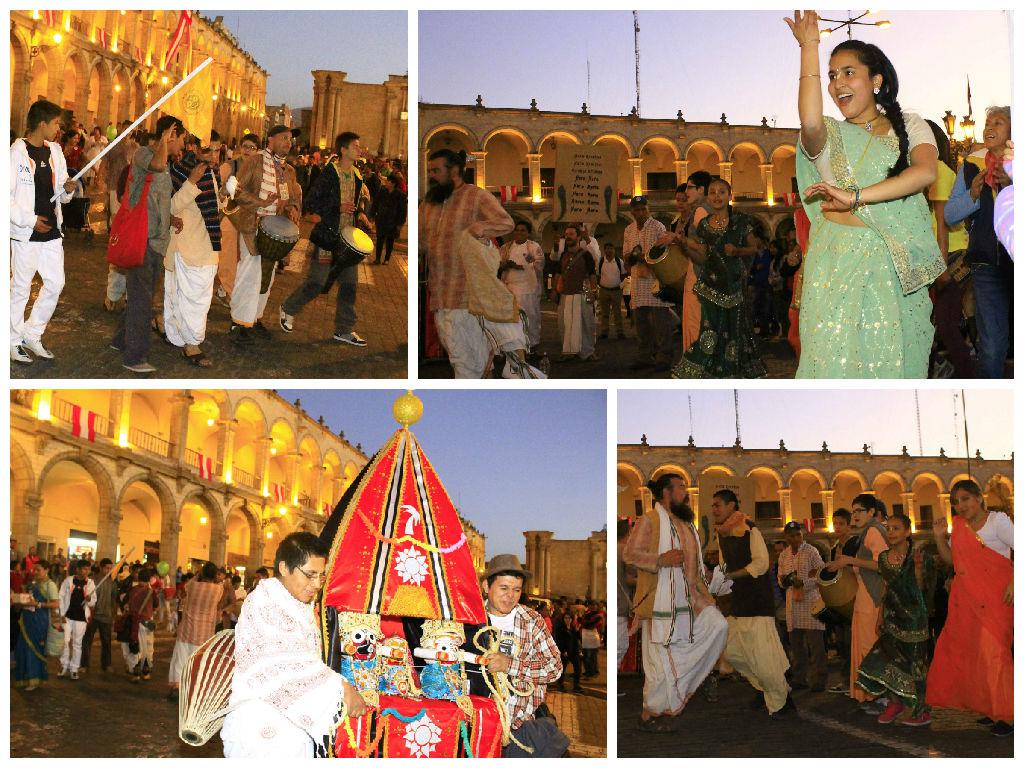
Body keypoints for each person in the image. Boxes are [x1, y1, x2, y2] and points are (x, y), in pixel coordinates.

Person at [786, 12, 945, 377]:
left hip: (890, 265)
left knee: (890, 365)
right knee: (832, 364)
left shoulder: (910, 125)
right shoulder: (829, 137)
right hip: (833, 265)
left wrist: (856, 196)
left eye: (847, 72)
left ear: (875, 80)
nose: (837, 83)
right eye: (831, 75)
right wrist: (809, 47)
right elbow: (809, 122)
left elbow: (924, 173)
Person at [220, 532, 368, 757]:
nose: (317, 584)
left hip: (290, 729)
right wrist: (342, 689)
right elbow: (287, 666)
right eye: (310, 575)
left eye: (321, 576)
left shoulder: (295, 603)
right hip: (262, 729)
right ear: (283, 567)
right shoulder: (265, 603)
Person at [623, 475, 728, 731]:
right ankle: (651, 714)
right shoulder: (649, 520)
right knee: (659, 664)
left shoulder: (687, 525)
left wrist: (709, 575)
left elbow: (693, 563)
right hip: (660, 604)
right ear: (666, 493)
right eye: (681, 487)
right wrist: (661, 559)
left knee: (719, 626)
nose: (686, 491)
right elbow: (629, 555)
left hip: (692, 600)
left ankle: (677, 693)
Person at [419, 149, 523, 378]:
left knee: (466, 364)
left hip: (468, 298)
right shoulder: (429, 203)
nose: (431, 176)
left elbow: (506, 222)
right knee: (461, 359)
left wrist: (482, 228)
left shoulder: (476, 196)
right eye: (430, 171)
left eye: (436, 170)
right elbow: (421, 242)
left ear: (454, 170)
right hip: (439, 297)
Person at [926, 479, 1013, 737]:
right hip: (967, 601)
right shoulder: (960, 526)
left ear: (979, 498)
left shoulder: (998, 521)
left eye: (964, 499)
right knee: (977, 656)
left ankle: (1009, 716)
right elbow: (951, 560)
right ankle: (991, 708)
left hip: (997, 598)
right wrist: (939, 538)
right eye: (955, 502)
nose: (960, 506)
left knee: (994, 654)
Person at [839, 513, 934, 726]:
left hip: (915, 620)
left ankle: (920, 711)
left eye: (896, 528)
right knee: (884, 660)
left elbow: (922, 589)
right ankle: (894, 703)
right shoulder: (883, 558)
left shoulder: (919, 556)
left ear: (908, 532)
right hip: (891, 618)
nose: (891, 532)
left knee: (915, 667)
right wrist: (881, 615)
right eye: (889, 528)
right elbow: (886, 587)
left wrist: (918, 569)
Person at [279, 131, 369, 346]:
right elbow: (312, 201)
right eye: (355, 146)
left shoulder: (357, 174)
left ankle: (344, 329)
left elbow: (360, 200)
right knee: (317, 282)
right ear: (343, 150)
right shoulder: (330, 173)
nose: (359, 149)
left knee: (349, 285)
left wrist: (361, 213)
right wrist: (336, 208)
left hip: (347, 241)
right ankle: (288, 309)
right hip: (327, 238)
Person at [471, 554, 566, 757]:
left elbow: (555, 668)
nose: (510, 596)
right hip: (477, 726)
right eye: (504, 588)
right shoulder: (470, 619)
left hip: (520, 729)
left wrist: (510, 665)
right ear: (487, 586)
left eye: (516, 589)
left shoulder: (531, 620)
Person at [112, 115, 185, 374]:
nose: (182, 146)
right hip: (142, 239)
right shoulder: (146, 153)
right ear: (171, 135)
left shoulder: (165, 163)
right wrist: (165, 140)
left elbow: (157, 198)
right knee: (143, 302)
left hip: (155, 239)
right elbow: (156, 165)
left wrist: (170, 218)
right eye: (181, 139)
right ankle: (135, 357)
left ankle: (121, 340)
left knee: (140, 295)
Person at [711, 489, 794, 717]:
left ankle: (781, 703)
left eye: (717, 505)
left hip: (757, 602)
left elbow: (761, 564)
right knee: (733, 652)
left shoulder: (750, 529)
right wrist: (717, 578)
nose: (714, 509)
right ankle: (763, 688)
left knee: (764, 658)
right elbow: (724, 565)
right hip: (737, 602)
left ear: (731, 506)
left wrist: (733, 576)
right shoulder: (722, 534)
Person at [944, 106, 1012, 378]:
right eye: (987, 123)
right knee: (993, 346)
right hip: (987, 265)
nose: (989, 128)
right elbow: (950, 215)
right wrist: (972, 193)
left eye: (999, 122)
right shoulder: (971, 165)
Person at [673, 179, 766, 378]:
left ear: (729, 196)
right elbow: (702, 255)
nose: (717, 196)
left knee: (734, 331)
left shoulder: (741, 221)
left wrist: (738, 251)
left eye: (721, 192)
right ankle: (709, 371)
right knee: (710, 331)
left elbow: (754, 247)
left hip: (733, 287)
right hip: (710, 286)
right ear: (707, 197)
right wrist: (683, 245)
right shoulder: (704, 226)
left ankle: (732, 372)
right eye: (713, 192)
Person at [10, 99, 77, 363]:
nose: (58, 129)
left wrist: (68, 190)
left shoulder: (55, 151)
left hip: (51, 232)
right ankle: (12, 340)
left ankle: (32, 333)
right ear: (41, 124)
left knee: (56, 283)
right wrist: (29, 220)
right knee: (20, 288)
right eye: (56, 123)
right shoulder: (15, 154)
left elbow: (60, 191)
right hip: (26, 233)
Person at [228, 125, 301, 346]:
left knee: (266, 280)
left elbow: (293, 195)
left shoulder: (288, 170)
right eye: (284, 138)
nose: (288, 142)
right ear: (271, 139)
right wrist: (261, 203)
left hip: (273, 232)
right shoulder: (255, 161)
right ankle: (238, 323)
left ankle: (255, 319)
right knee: (249, 277)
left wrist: (293, 207)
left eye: (290, 139)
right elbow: (236, 191)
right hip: (253, 227)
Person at [824, 493, 888, 710]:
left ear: (871, 512)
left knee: (869, 648)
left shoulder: (873, 531)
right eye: (853, 512)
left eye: (859, 511)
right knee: (862, 646)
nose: (855, 515)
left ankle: (879, 696)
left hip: (872, 598)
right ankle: (870, 695)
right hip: (864, 597)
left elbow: (883, 564)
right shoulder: (866, 532)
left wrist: (849, 560)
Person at [925, 119, 974, 378]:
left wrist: (942, 269)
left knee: (944, 324)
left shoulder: (939, 171)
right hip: (943, 256)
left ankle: (968, 373)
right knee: (939, 323)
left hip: (953, 255)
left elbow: (942, 224)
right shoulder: (929, 171)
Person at [163, 152, 217, 366]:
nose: (213, 152)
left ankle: (176, 333)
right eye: (207, 148)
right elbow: (170, 207)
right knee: (186, 297)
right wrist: (192, 181)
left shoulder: (212, 173)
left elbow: (215, 208)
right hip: (185, 246)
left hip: (207, 246)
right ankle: (191, 344)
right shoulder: (180, 171)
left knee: (195, 298)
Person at [167, 561, 234, 702]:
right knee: (198, 663)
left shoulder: (193, 586)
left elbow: (187, 585)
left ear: (202, 573)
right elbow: (225, 587)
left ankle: (177, 688)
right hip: (204, 633)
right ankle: (194, 692)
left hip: (187, 629)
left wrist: (198, 574)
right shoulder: (217, 590)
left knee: (180, 660)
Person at [777, 521, 827, 691]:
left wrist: (803, 582)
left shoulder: (811, 551)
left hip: (811, 602)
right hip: (793, 603)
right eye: (792, 535)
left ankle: (819, 680)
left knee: (816, 645)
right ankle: (800, 678)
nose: (796, 538)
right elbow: (780, 578)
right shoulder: (784, 555)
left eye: (798, 534)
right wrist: (785, 581)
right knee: (796, 645)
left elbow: (822, 575)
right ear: (786, 537)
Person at [102, 120, 138, 313]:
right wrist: (103, 181)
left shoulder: (134, 147)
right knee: (118, 246)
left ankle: (123, 295)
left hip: (131, 207)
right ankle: (113, 295)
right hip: (117, 188)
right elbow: (105, 163)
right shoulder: (114, 145)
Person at [553, 224, 599, 362]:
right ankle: (568, 351)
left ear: (578, 237)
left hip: (582, 294)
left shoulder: (586, 255)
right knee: (566, 324)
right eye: (566, 234)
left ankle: (588, 352)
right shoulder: (563, 256)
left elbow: (592, 275)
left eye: (571, 234)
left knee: (585, 324)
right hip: (566, 295)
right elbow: (558, 274)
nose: (568, 237)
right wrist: (555, 291)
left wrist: (594, 291)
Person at [498, 221, 545, 351]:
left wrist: (518, 266)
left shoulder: (532, 247)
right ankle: (512, 346)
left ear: (528, 233)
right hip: (509, 288)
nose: (519, 232)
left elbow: (538, 265)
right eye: (517, 230)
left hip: (528, 288)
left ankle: (531, 344)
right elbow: (497, 264)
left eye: (523, 230)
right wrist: (504, 265)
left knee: (529, 316)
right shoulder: (506, 248)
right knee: (510, 318)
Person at [14, 560, 59, 690]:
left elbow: (56, 604)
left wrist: (39, 604)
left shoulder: (50, 585)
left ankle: (34, 679)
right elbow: (28, 599)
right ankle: (23, 678)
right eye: (34, 569)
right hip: (26, 619)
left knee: (33, 649)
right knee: (22, 647)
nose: (35, 572)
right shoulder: (33, 583)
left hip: (39, 620)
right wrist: (18, 599)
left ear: (47, 570)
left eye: (38, 569)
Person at [57, 560, 96, 680]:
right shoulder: (68, 580)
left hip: (81, 618)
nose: (86, 572)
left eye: (88, 569)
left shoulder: (90, 583)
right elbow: (61, 597)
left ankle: (74, 669)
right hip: (67, 616)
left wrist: (89, 599)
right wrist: (61, 614)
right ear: (78, 569)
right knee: (65, 641)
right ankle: (64, 666)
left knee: (77, 644)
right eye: (84, 569)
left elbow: (93, 601)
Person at [79, 557, 119, 674]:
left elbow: (114, 599)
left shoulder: (112, 582)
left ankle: (106, 664)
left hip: (106, 616)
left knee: (106, 641)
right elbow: (85, 596)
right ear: (101, 568)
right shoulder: (92, 581)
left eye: (111, 568)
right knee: (87, 640)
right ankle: (84, 664)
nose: (109, 570)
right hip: (93, 615)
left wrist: (114, 613)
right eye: (107, 568)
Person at [122, 566, 160, 682]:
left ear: (138, 578)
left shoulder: (132, 590)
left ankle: (136, 673)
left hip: (134, 622)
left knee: (135, 647)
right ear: (149, 579)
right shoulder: (151, 592)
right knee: (148, 648)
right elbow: (156, 606)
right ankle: (146, 673)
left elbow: (124, 603)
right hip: (147, 623)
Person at [370, 172, 407, 265]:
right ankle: (377, 258)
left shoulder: (400, 195)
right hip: (381, 219)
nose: (386, 182)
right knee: (379, 240)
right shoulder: (382, 191)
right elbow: (375, 203)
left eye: (388, 181)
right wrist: (373, 215)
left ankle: (387, 259)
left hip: (393, 221)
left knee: (390, 240)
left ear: (393, 183)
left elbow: (402, 210)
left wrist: (400, 223)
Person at [596, 242, 627, 341]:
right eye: (607, 248)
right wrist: (601, 285)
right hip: (604, 290)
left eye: (611, 248)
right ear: (604, 250)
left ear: (614, 250)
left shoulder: (619, 262)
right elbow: (597, 275)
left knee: (617, 312)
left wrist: (620, 285)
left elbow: (623, 275)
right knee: (604, 313)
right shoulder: (600, 261)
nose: (609, 250)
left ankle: (620, 332)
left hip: (616, 291)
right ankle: (604, 332)